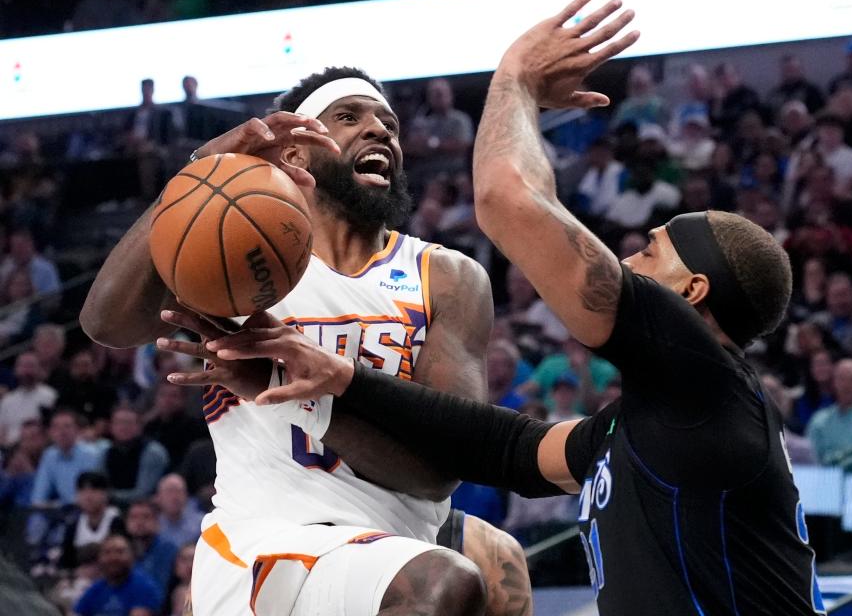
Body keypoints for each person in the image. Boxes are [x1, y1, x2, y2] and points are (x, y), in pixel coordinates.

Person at [191, 0, 825, 615]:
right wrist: (340, 384)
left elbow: (507, 199)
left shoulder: (700, 378)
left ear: (692, 294)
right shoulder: (644, 424)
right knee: (492, 561)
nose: (627, 260)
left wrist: (515, 79)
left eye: (652, 252)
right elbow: (505, 448)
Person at [81, 69, 527, 614]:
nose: (379, 130)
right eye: (348, 117)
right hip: (265, 538)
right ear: (295, 156)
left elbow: (441, 471)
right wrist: (199, 172)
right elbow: (107, 323)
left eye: (388, 122)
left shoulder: (447, 276)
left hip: (390, 542)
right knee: (442, 583)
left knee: (500, 570)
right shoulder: (237, 258)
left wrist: (297, 393)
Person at [74, 534, 163, 616]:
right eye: (107, 553)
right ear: (99, 559)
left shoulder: (144, 587)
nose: (113, 558)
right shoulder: (96, 589)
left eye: (120, 552)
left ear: (132, 556)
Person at [30, 409, 102, 507]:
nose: (62, 432)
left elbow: (88, 496)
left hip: (87, 510)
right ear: (50, 432)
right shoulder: (49, 455)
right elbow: (38, 496)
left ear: (77, 430)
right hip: (62, 512)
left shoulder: (91, 454)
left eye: (67, 426)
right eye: (56, 427)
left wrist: (58, 505)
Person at [102, 406, 169, 506]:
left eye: (128, 423)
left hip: (147, 508)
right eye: (119, 422)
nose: (123, 427)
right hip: (112, 508)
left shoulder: (153, 452)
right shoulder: (106, 452)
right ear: (111, 427)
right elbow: (100, 486)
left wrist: (109, 496)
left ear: (139, 426)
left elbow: (142, 494)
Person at [0, 352, 57, 449]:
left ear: (39, 369)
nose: (27, 371)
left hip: (40, 448)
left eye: (31, 366)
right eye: (23, 366)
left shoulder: (50, 395)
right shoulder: (8, 400)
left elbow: (53, 429)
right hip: (10, 450)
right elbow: (2, 431)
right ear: (16, 370)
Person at [125, 500, 179, 593]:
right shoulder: (121, 551)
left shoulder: (168, 550)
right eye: (134, 517)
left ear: (157, 522)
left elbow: (163, 587)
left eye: (146, 517)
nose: (139, 522)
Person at [154, 473, 203, 550]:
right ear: (158, 497)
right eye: (169, 491)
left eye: (179, 491)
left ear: (187, 496)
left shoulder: (202, 523)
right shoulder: (152, 525)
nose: (175, 497)